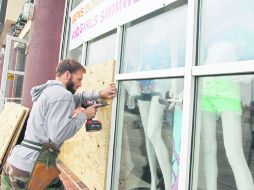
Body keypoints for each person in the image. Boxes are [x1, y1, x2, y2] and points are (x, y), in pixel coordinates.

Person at [0, 59, 117, 189]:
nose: (80, 84)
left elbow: (76, 98)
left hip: (14, 162)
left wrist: (99, 93)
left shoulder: (49, 91)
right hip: (33, 168)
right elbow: (58, 134)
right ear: (67, 75)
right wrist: (84, 115)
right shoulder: (62, 95)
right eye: (79, 79)